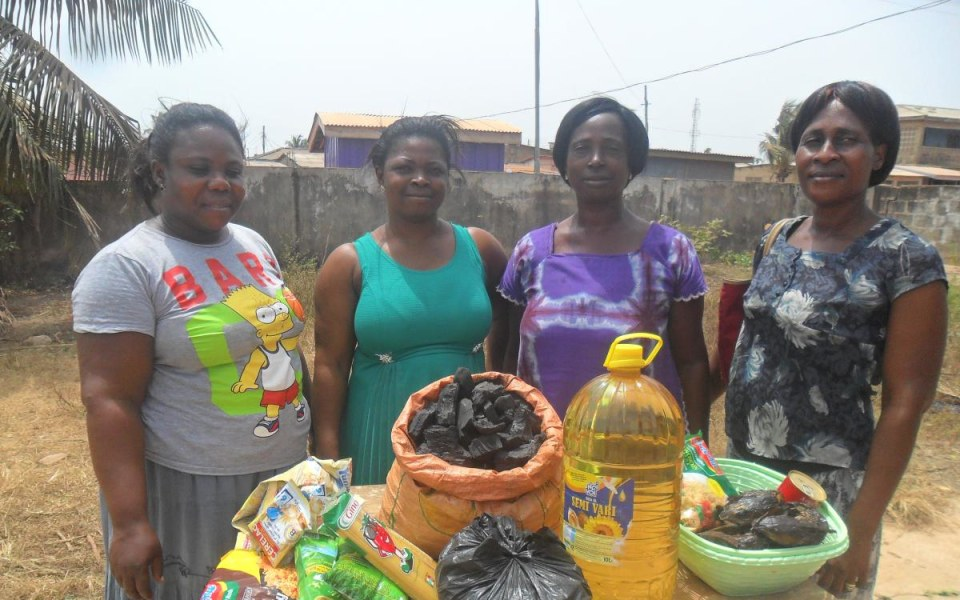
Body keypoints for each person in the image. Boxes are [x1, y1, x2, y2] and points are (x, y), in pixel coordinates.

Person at [73, 103, 311, 600]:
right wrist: (131, 523)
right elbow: (109, 400)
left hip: (278, 477)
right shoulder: (127, 266)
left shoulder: (252, 244)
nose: (222, 182)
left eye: (233, 170)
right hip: (193, 489)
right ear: (161, 173)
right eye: (200, 169)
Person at [720, 81, 947, 598]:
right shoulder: (776, 237)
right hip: (746, 469)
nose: (825, 153)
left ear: (879, 154)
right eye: (812, 140)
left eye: (845, 139)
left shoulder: (905, 259)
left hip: (828, 490)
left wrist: (861, 529)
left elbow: (907, 403)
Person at [311, 115, 509, 486]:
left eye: (434, 169)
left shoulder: (480, 247)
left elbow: (508, 319)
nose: (421, 179)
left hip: (470, 438)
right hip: (379, 433)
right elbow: (330, 366)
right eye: (404, 168)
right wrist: (326, 455)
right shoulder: (349, 263)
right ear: (380, 173)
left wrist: (498, 387)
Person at [498, 96, 710, 433]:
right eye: (582, 148)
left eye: (611, 149)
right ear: (565, 163)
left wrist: (698, 448)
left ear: (631, 163)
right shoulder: (530, 252)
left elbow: (693, 362)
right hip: (541, 449)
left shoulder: (671, 251)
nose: (596, 160)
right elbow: (511, 358)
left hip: (642, 451)